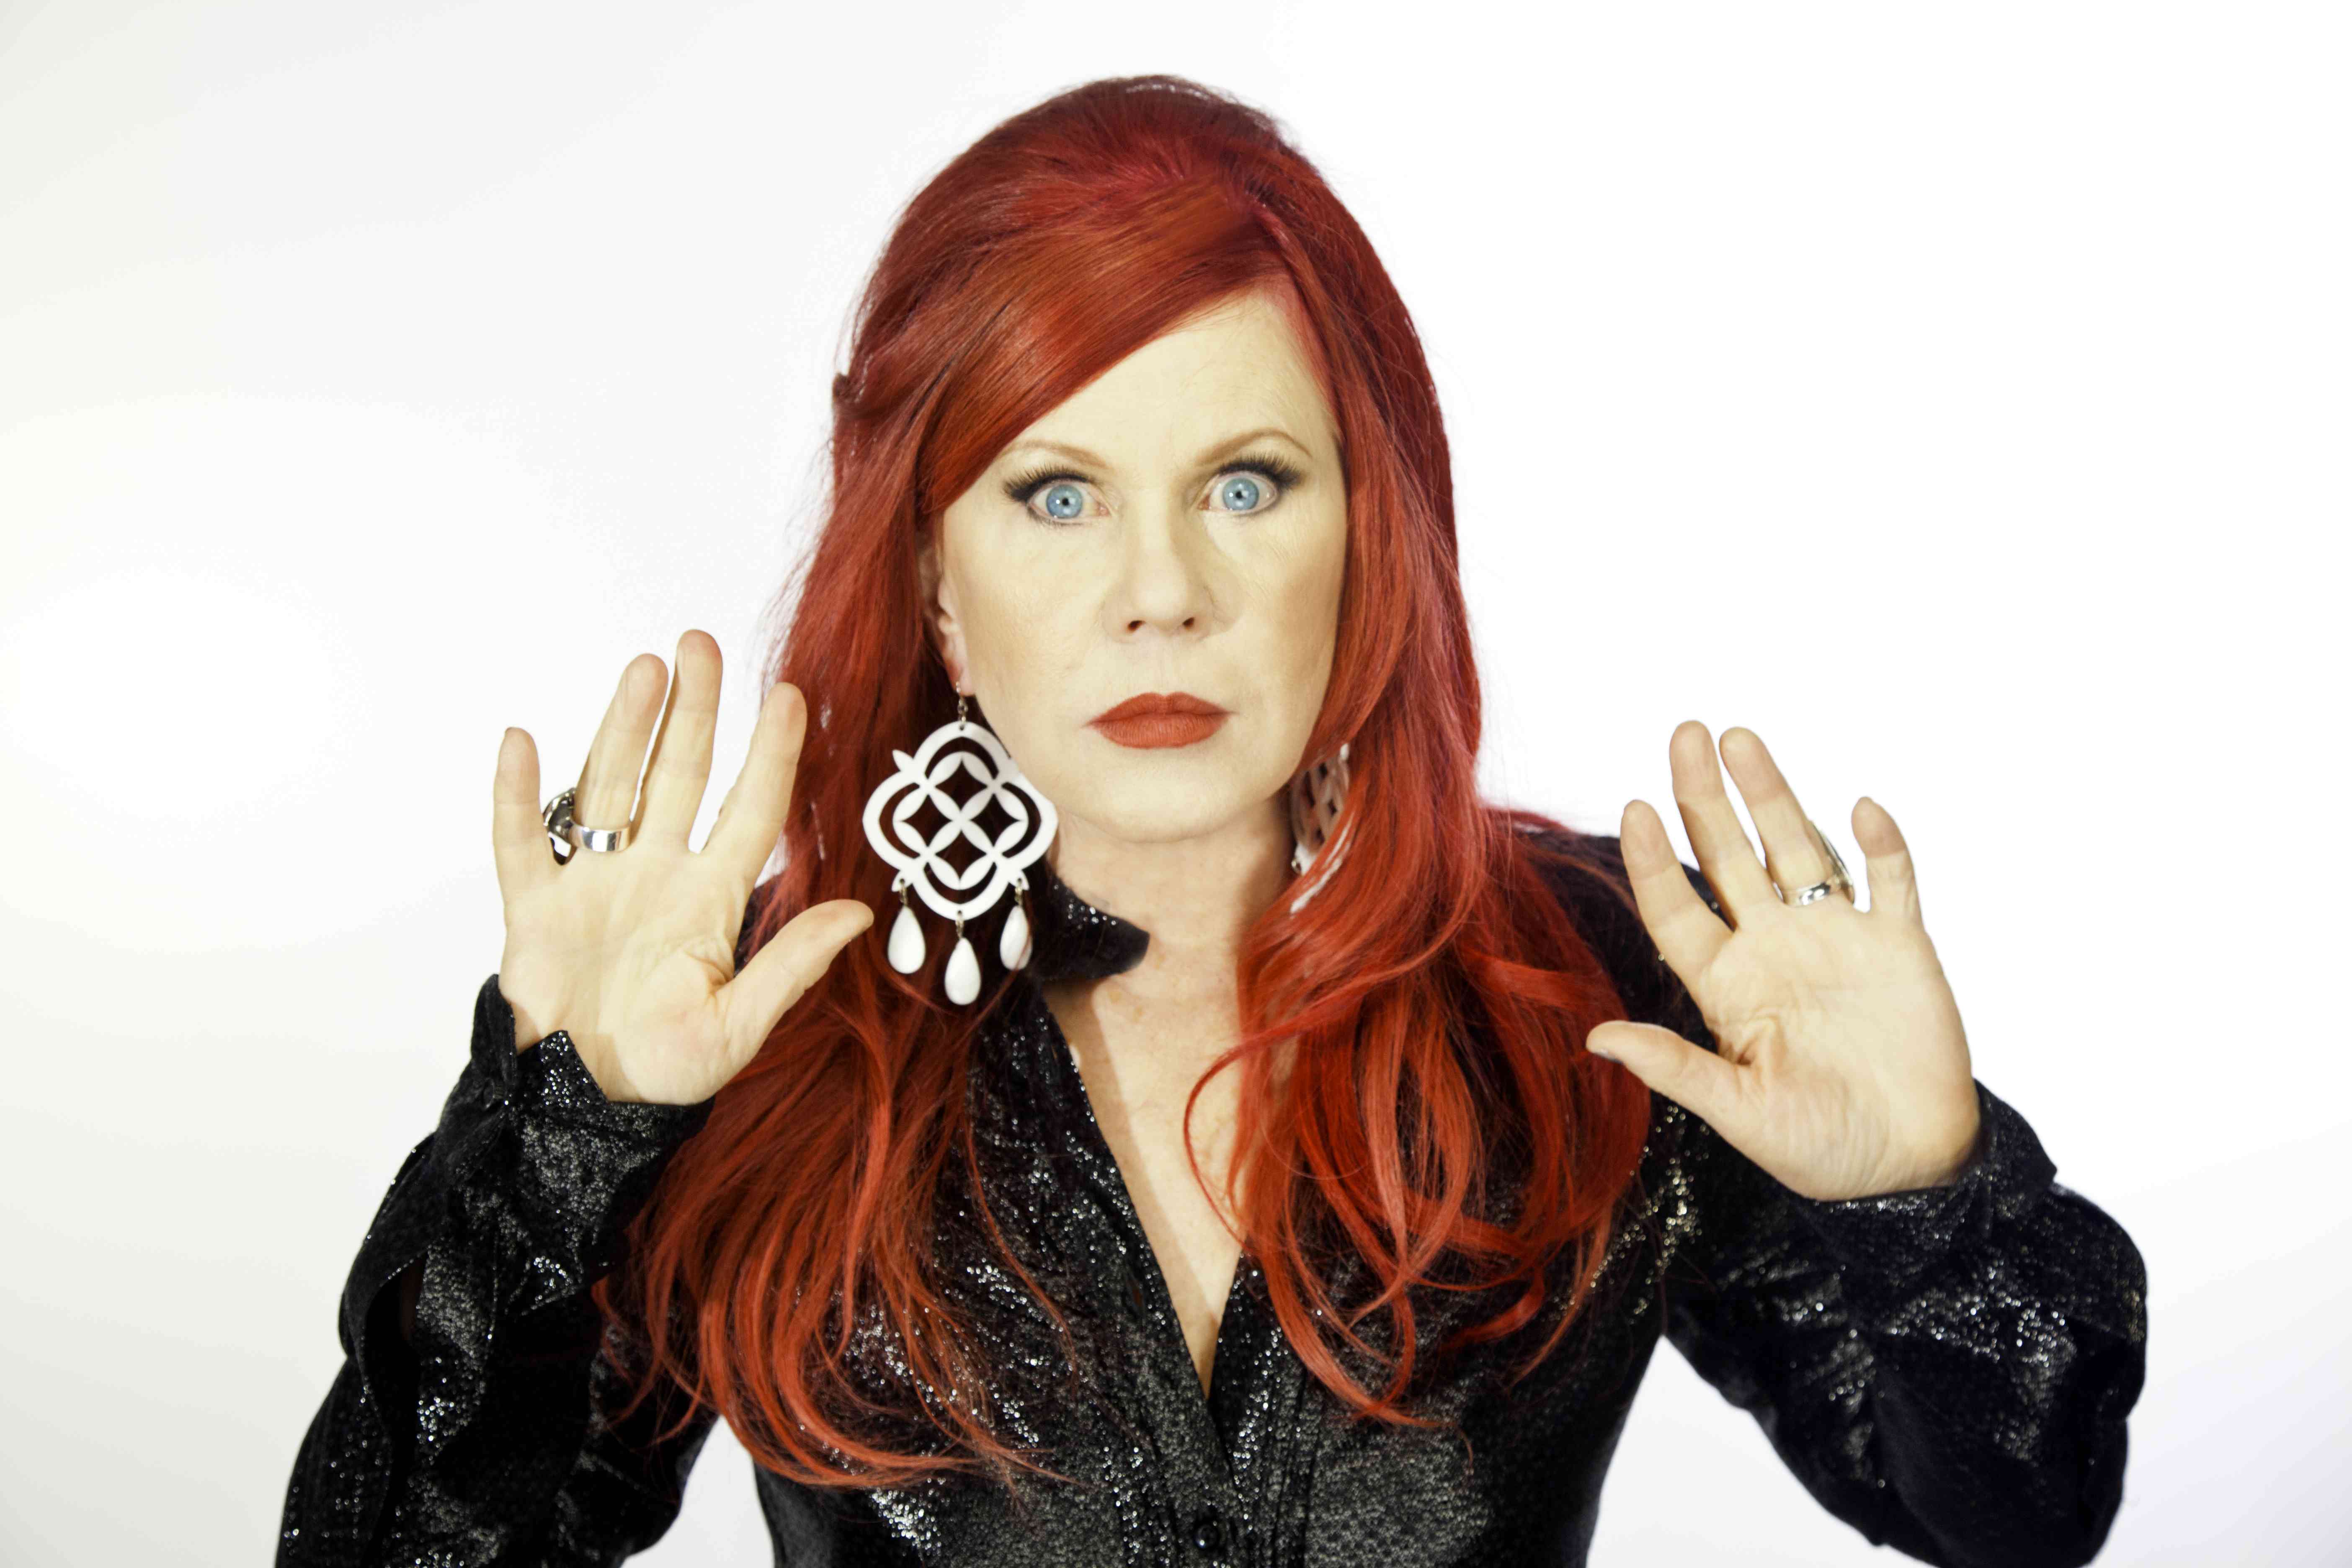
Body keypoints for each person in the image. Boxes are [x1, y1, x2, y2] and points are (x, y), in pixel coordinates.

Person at [276, 75, 2147, 1568]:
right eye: (1057, 495)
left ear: (1368, 532)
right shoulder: (739, 1027)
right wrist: (563, 1134)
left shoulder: (1603, 991)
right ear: (934, 581)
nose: (1161, 592)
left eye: (1245, 484)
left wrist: (1921, 1193)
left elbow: (2015, 1518)